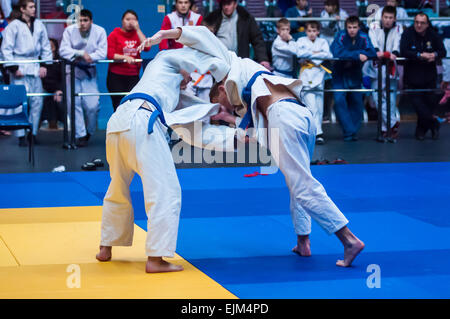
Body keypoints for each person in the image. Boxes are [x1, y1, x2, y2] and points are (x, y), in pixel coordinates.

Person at [150, 25, 365, 267]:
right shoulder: (247, 86)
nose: (221, 109)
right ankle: (303, 242)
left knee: (303, 185)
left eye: (218, 103)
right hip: (302, 114)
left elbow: (203, 37)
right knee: (298, 179)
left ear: (221, 89)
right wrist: (229, 119)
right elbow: (252, 134)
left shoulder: (228, 65)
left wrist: (165, 34)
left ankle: (348, 240)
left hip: (284, 117)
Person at [97, 26, 232, 273]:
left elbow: (196, 128)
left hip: (118, 123)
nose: (190, 80)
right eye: (190, 75)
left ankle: (106, 246)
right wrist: (223, 66)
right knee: (166, 190)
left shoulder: (167, 88)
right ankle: (156, 258)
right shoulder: (165, 59)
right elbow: (200, 48)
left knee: (117, 185)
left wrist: (232, 129)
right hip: (141, 121)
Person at [1, 0, 52, 146]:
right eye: (31, 7)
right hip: (19, 65)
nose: (34, 9)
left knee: (37, 102)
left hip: (35, 65)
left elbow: (46, 46)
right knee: (20, 102)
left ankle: (33, 133)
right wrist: (13, 67)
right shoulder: (13, 26)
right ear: (22, 9)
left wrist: (44, 65)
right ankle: (21, 135)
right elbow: (6, 49)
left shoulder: (39, 24)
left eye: (34, 6)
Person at [59, 9, 107, 147]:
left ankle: (89, 131)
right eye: (80, 20)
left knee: (93, 106)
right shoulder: (69, 31)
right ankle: (80, 135)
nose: (82, 23)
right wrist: (80, 53)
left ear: (91, 21)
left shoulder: (100, 31)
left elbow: (102, 52)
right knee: (73, 105)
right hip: (72, 71)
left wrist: (90, 57)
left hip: (89, 72)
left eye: (85, 20)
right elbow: (63, 50)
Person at [400, 12, 446, 140]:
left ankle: (421, 130)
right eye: (416, 22)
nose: (419, 25)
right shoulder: (408, 33)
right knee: (418, 105)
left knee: (428, 105)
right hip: (412, 76)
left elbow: (443, 51)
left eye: (422, 23)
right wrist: (420, 55)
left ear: (427, 24)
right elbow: (404, 51)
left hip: (429, 76)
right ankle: (434, 124)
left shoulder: (433, 34)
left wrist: (434, 55)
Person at [330, 16, 376, 141]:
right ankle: (349, 132)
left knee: (357, 102)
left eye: (354, 27)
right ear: (346, 27)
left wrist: (362, 54)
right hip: (339, 73)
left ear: (359, 27)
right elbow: (336, 52)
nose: (352, 30)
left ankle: (351, 132)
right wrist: (357, 54)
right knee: (339, 101)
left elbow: (372, 52)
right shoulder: (340, 35)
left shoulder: (363, 36)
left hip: (355, 73)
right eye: (349, 27)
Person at [363, 6, 402, 139]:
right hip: (376, 66)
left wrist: (393, 53)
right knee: (378, 99)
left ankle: (387, 129)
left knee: (390, 99)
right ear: (382, 17)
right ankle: (393, 123)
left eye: (390, 18)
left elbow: (397, 46)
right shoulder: (374, 27)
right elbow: (373, 46)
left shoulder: (398, 28)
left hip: (391, 66)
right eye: (385, 17)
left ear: (394, 18)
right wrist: (382, 53)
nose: (388, 20)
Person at [203, 0, 270, 70]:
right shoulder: (212, 18)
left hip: (240, 62)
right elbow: (204, 39)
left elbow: (257, 40)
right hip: (218, 62)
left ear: (235, 4)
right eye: (224, 4)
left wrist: (263, 59)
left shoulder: (246, 18)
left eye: (228, 4)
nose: (226, 7)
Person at [297, 21, 332, 145]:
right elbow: (299, 53)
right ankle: (314, 132)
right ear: (306, 31)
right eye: (309, 31)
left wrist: (310, 54)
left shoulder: (323, 42)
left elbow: (328, 54)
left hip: (319, 76)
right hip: (306, 76)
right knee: (311, 107)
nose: (312, 33)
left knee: (319, 106)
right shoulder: (301, 40)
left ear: (318, 32)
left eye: (314, 31)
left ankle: (318, 132)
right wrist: (316, 54)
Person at [106, 10, 149, 112]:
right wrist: (125, 58)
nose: (130, 22)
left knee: (133, 104)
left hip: (133, 75)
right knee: (118, 105)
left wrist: (138, 30)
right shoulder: (114, 34)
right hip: (116, 76)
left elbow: (147, 47)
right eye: (128, 19)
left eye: (133, 19)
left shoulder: (137, 35)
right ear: (122, 21)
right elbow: (110, 54)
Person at [41, 38, 64, 130]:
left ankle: (60, 122)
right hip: (43, 87)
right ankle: (40, 123)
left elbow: (62, 78)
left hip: (56, 87)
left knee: (58, 98)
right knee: (42, 98)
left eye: (51, 46)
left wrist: (59, 89)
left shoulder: (60, 61)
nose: (49, 48)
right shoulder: (40, 60)